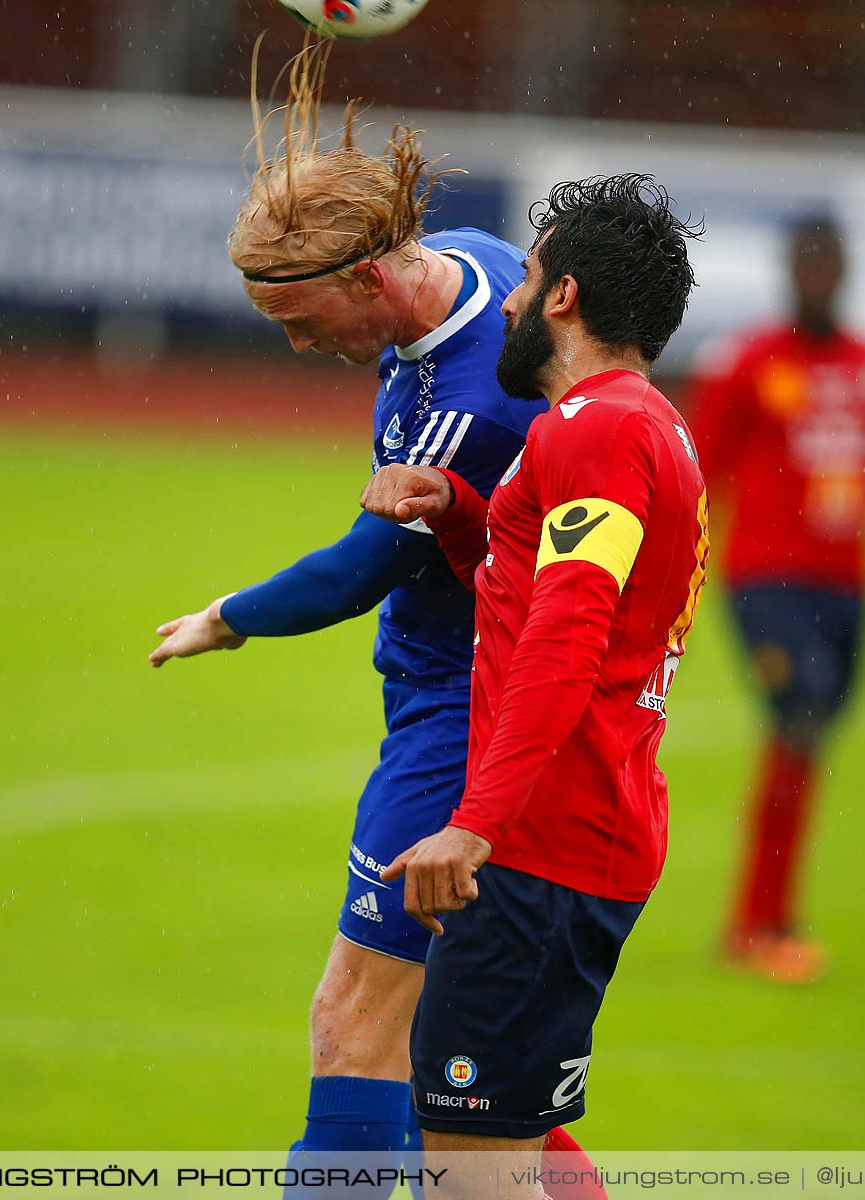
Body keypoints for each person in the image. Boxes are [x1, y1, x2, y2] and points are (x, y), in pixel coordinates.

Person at [145, 43, 609, 1195]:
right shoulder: (467, 262)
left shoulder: (469, 399)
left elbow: (360, 569)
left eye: (304, 322)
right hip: (463, 694)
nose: (302, 349)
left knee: (353, 1022)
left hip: (461, 712)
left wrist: (230, 614)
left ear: (370, 278)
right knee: (463, 1068)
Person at [360, 173, 708, 1197]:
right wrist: (464, 512)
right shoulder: (629, 424)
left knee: (472, 1169)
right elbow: (548, 590)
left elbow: (567, 637)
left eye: (525, 277)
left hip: (544, 847)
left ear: (564, 298)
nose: (506, 299)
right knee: (516, 1139)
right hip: (583, 836)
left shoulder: (595, 431)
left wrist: (478, 824)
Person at [684, 214, 865, 984]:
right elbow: (698, 477)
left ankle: (767, 918)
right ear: (787, 271)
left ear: (844, 273)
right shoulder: (744, 363)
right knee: (798, 717)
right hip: (765, 583)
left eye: (827, 265)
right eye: (805, 264)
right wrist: (676, 577)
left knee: (803, 744)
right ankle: (758, 923)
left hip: (847, 590)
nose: (816, 277)